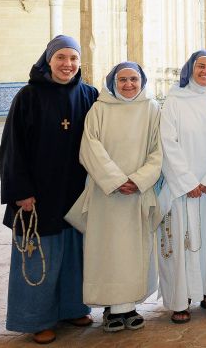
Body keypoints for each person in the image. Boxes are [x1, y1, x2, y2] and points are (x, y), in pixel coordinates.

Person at [0, 35, 99, 345]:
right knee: (39, 254)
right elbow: (12, 148)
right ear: (48, 60)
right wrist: (21, 191)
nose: (67, 64)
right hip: (38, 194)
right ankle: (36, 319)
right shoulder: (28, 96)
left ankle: (72, 307)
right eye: (61, 58)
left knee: (73, 253)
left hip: (77, 190)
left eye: (73, 58)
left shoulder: (90, 95)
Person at [68, 61, 162, 333]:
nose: (129, 84)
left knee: (133, 251)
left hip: (137, 193)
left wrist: (139, 179)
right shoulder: (99, 109)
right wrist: (117, 180)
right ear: (112, 82)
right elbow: (90, 149)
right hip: (106, 194)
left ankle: (129, 306)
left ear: (142, 81)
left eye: (134, 79)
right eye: (123, 80)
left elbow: (158, 150)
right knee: (107, 250)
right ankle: (111, 308)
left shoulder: (151, 109)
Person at [157, 50, 206, 323]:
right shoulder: (174, 101)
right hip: (181, 186)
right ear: (190, 69)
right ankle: (180, 299)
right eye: (201, 66)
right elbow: (168, 142)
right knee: (182, 241)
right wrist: (187, 181)